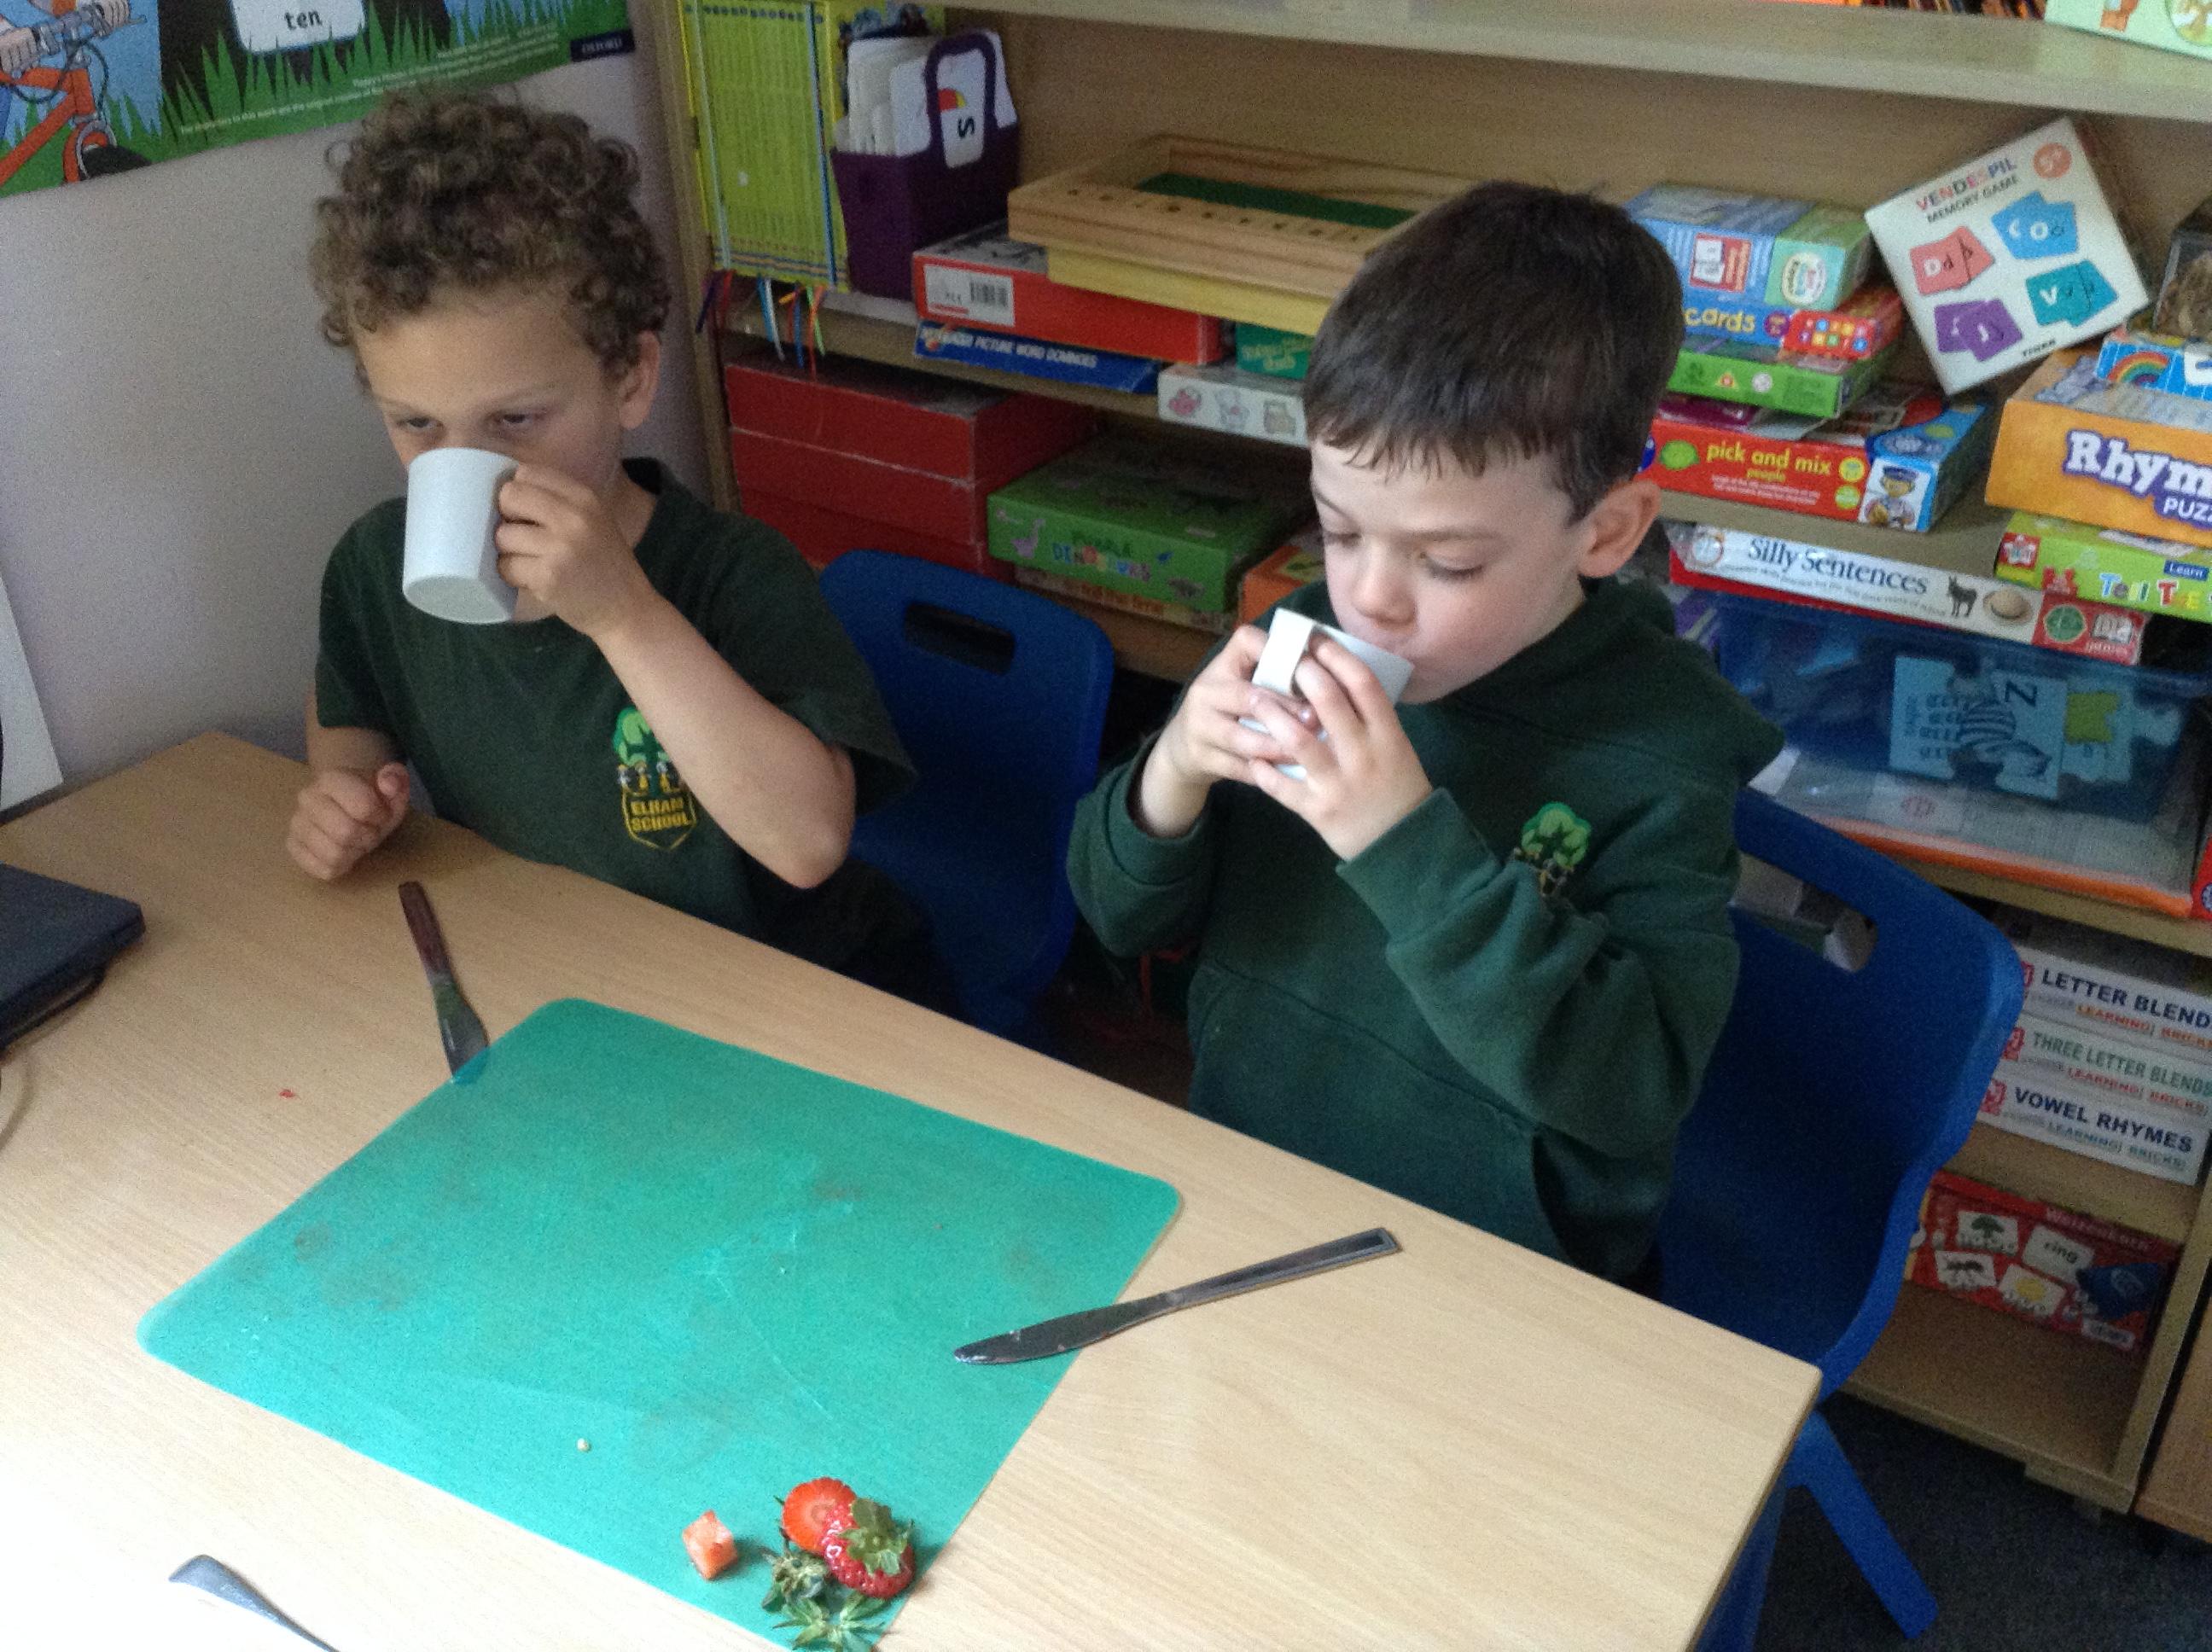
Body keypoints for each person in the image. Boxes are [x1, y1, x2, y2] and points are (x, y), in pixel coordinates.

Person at [1066, 182, 1784, 1286]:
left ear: (1604, 532)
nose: (1371, 600)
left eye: (1447, 562)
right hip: (1255, 1186)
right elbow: (1116, 918)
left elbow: (1632, 1090)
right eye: (1339, 529)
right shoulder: (1308, 638)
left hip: (1503, 1269)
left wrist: (1402, 843)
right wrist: (1171, 777)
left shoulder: (1664, 751)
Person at [288, 89, 937, 1002]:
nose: (466, 464)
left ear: (630, 380)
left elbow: (808, 845)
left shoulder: (732, 574)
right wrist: (349, 796)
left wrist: (625, 615)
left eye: (516, 418)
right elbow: (349, 707)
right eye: (417, 423)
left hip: (802, 988)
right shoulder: (374, 567)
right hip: (584, 977)